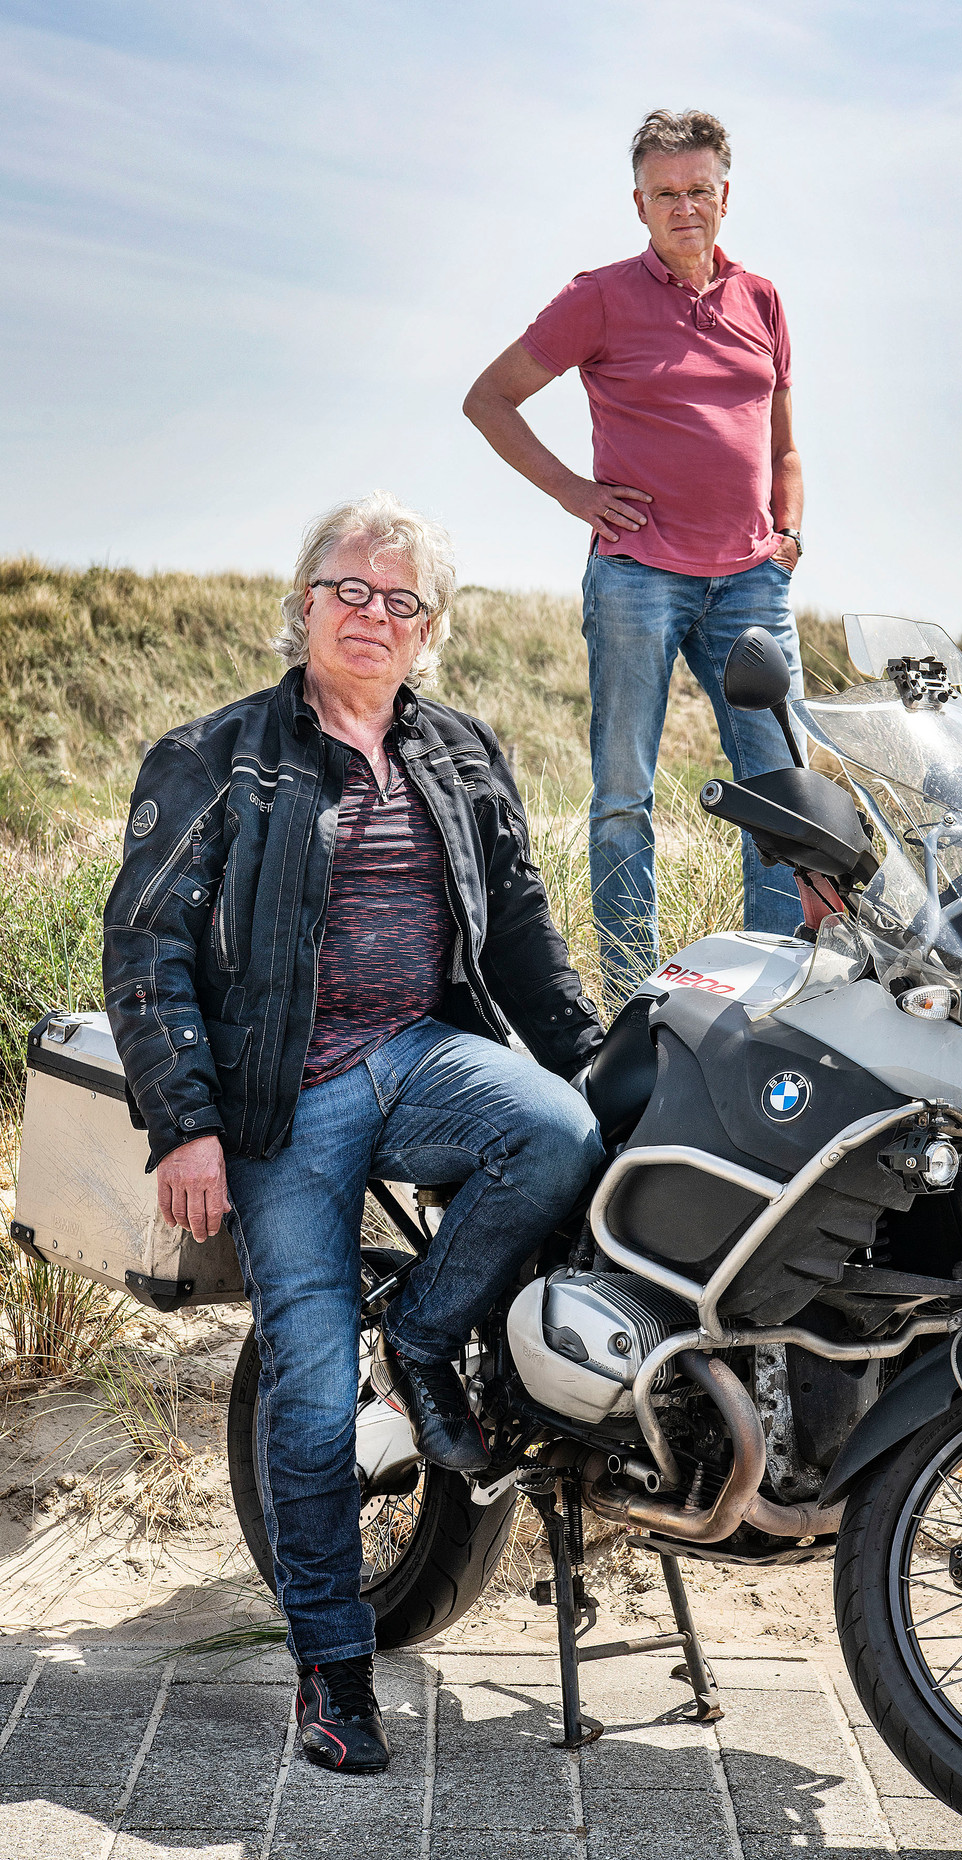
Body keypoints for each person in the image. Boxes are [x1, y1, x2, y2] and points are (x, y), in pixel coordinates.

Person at [102, 492, 604, 1776]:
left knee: (560, 1131)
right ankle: (332, 1673)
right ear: (306, 602)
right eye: (350, 590)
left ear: (428, 630)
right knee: (315, 1396)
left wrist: (597, 1065)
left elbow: (522, 930)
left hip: (423, 1055)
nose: (372, 614)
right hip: (280, 1101)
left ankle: (424, 1336)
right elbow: (147, 948)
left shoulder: (462, 751)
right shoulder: (215, 756)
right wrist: (185, 1126)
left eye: (400, 600)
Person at [465, 107, 806, 1003]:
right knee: (624, 794)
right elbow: (489, 398)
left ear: (725, 196)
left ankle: (773, 989)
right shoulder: (600, 297)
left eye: (699, 190)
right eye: (665, 193)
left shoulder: (762, 298)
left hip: (751, 583)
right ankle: (630, 995)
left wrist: (790, 535)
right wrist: (575, 493)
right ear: (639, 204)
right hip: (638, 577)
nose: (684, 206)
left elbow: (784, 445)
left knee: (781, 789)